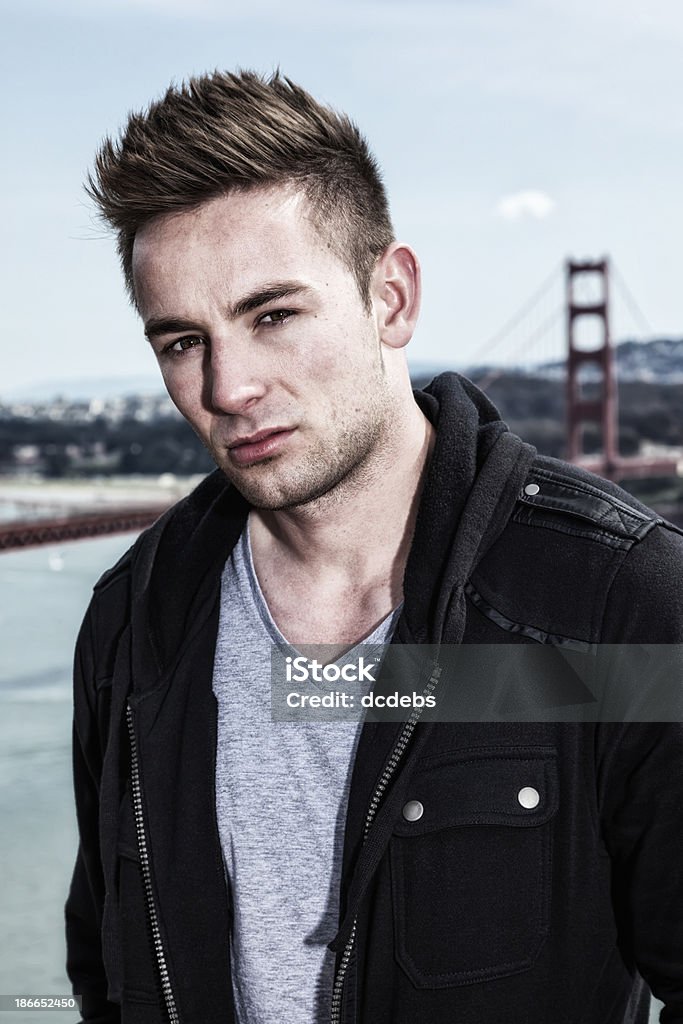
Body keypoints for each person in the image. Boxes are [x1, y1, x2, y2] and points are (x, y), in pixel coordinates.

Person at [65, 70, 683, 1024]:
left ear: (390, 298)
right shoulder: (131, 621)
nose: (229, 387)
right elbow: (105, 967)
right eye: (183, 341)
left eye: (273, 316)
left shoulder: (616, 601)